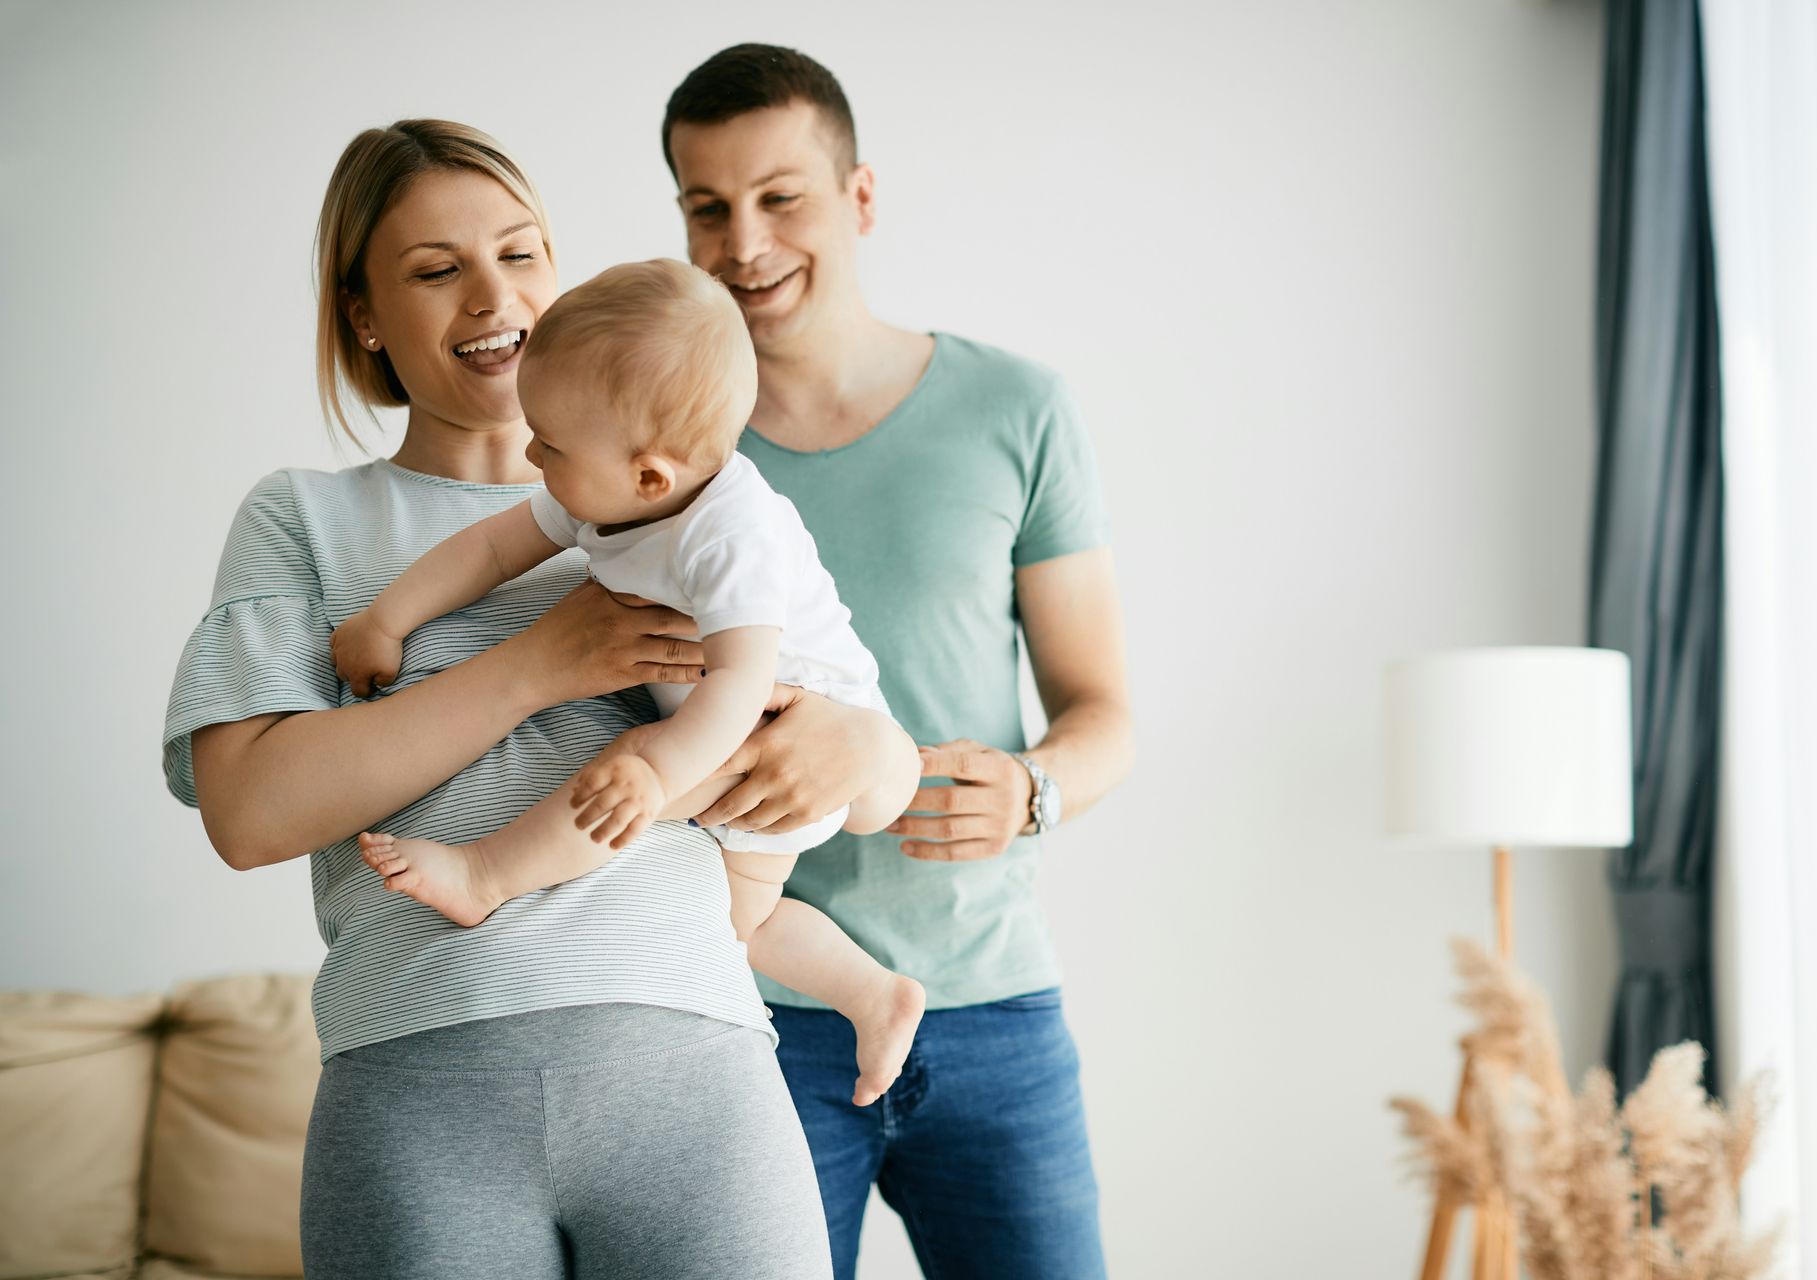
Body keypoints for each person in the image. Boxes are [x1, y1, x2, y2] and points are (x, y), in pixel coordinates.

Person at [162, 118, 916, 1278]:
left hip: (695, 1070)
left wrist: (865, 742)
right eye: (434, 269)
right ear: (362, 311)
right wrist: (534, 663)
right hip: (418, 1087)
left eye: (521, 252)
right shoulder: (302, 517)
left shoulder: (679, 493)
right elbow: (248, 813)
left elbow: (874, 778)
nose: (492, 295)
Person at [661, 44, 1135, 1280]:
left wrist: (1035, 787)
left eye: (781, 196)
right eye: (706, 207)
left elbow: (1104, 710)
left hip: (994, 1009)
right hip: (748, 1018)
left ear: (860, 198)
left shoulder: (1017, 408)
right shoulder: (660, 460)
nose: (744, 240)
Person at [332, 258, 925, 1106]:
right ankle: (874, 992)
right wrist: (386, 619)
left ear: (651, 476)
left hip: (783, 736)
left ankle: (486, 876)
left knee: (635, 803)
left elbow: (738, 684)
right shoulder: (607, 484)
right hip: (741, 725)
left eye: (551, 444)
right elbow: (493, 550)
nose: (530, 451)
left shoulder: (734, 535)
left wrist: (655, 771)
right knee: (738, 919)